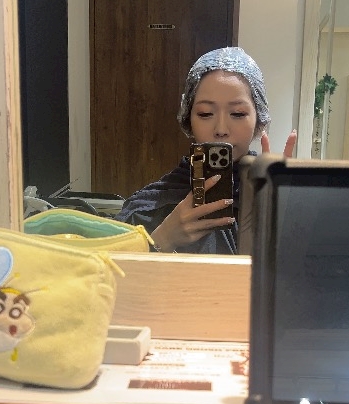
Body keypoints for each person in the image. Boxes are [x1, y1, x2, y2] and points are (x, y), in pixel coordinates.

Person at [117, 47, 297, 254]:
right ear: (188, 119)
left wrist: (292, 217)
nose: (221, 129)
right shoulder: (149, 207)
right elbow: (110, 270)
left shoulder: (280, 195)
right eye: (205, 113)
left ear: (259, 121)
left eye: (238, 113)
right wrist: (164, 238)